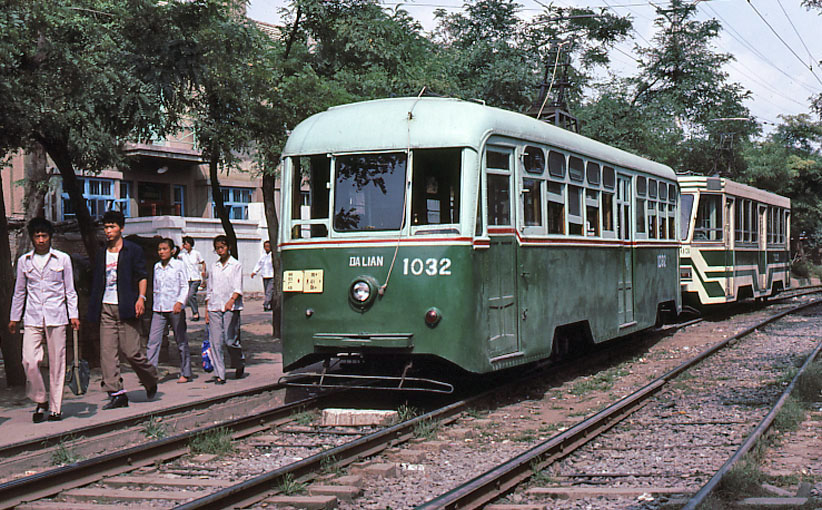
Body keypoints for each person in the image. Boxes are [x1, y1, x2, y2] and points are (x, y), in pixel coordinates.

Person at [9, 218, 80, 422]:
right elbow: (19, 292)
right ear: (32, 238)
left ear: (50, 237)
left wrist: (73, 314)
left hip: (57, 315)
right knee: (29, 361)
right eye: (37, 236)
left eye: (44, 236)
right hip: (32, 317)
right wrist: (14, 318)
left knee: (57, 363)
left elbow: (70, 290)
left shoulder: (62, 259)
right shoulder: (25, 261)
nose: (41, 240)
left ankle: (56, 407)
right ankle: (40, 399)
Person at [88, 210, 158, 409]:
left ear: (121, 228)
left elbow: (142, 276)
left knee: (132, 352)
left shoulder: (132, 250)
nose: (108, 231)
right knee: (108, 353)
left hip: (127, 306)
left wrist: (141, 299)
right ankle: (116, 393)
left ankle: (150, 378)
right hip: (106, 307)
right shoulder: (102, 252)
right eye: (106, 227)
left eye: (112, 227)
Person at [147, 238, 191, 383]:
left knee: (180, 340)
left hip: (175, 308)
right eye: (160, 249)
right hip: (159, 308)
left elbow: (185, 286)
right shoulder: (157, 267)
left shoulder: (179, 265)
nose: (162, 252)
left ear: (172, 250)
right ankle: (150, 374)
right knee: (153, 341)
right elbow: (155, 288)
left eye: (165, 249)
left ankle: (185, 372)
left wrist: (180, 302)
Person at [205, 235, 245, 384]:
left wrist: (232, 300)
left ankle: (239, 362)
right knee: (216, 341)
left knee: (230, 341)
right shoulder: (214, 267)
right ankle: (220, 374)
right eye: (217, 248)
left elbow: (238, 287)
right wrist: (207, 310)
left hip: (231, 306)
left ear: (228, 247)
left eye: (222, 247)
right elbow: (210, 289)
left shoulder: (236, 265)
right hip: (215, 306)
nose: (220, 251)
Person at [178, 236, 205, 321]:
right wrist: (180, 248)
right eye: (184, 244)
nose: (185, 245)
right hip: (187, 279)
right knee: (184, 297)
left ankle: (196, 313)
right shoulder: (183, 255)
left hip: (196, 278)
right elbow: (174, 254)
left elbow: (203, 263)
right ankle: (182, 316)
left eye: (186, 244)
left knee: (190, 295)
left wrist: (203, 271)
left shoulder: (196, 253)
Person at [250, 240, 274, 312]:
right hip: (265, 276)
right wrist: (254, 272)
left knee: (269, 291)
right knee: (267, 291)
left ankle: (266, 304)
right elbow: (259, 264)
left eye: (268, 246)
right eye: (265, 247)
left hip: (272, 276)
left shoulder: (272, 255)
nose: (267, 248)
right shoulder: (263, 256)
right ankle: (271, 304)